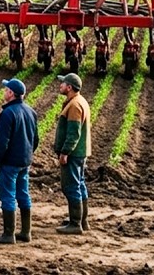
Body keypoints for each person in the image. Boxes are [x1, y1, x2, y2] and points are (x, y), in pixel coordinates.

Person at [0, 77, 39, 244]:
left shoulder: (7, 113)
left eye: (6, 89)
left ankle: (8, 234)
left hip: (10, 162)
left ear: (11, 93)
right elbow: (35, 139)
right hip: (25, 161)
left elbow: (2, 142)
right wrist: (27, 154)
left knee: (8, 196)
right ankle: (26, 232)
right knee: (23, 194)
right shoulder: (31, 112)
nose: (4, 92)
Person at [53, 72, 92, 235]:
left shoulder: (75, 105)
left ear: (69, 87)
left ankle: (76, 223)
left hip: (74, 153)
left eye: (62, 83)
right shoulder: (79, 101)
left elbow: (73, 134)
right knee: (79, 184)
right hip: (80, 152)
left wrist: (64, 152)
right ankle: (82, 220)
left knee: (71, 186)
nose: (60, 85)